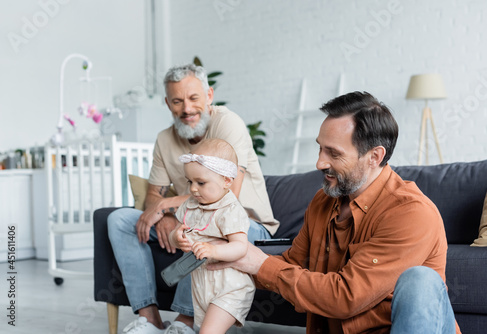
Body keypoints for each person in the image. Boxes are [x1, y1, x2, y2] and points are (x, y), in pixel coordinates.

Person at [210, 91, 461, 333]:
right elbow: (291, 265)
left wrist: (260, 262)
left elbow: (346, 297)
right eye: (320, 148)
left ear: (375, 156)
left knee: (421, 280)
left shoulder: (411, 213)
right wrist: (230, 258)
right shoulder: (323, 201)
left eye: (334, 153)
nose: (319, 163)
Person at [107, 64, 279, 334]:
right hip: (192, 216)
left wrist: (166, 206)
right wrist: (164, 217)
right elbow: (154, 193)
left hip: (245, 226)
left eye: (193, 98)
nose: (186, 108)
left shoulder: (227, 123)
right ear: (168, 104)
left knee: (202, 228)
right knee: (119, 219)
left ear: (209, 96)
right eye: (177, 101)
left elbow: (228, 193)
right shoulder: (165, 139)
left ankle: (185, 322)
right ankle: (149, 318)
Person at [169, 138, 255, 333]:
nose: (192, 189)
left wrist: (213, 249)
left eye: (201, 182)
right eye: (189, 181)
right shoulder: (190, 205)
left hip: (230, 288)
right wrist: (175, 238)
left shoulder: (230, 210)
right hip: (203, 287)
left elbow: (240, 247)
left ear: (226, 181)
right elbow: (174, 232)